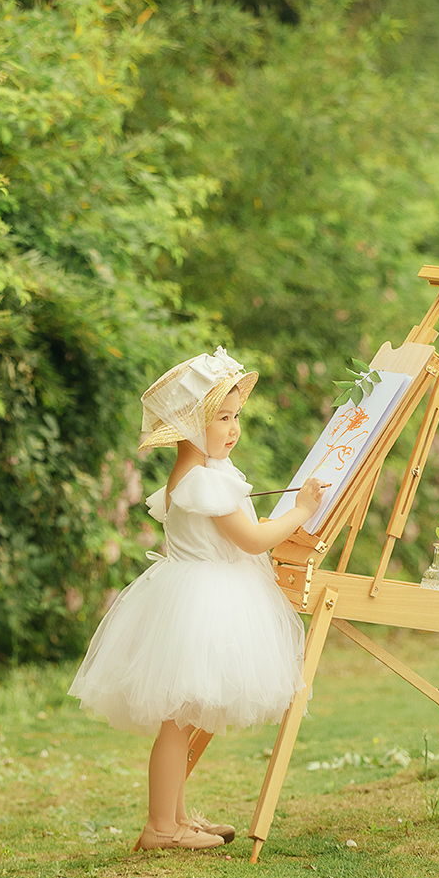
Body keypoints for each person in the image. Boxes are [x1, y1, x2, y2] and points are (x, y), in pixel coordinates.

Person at [68, 348, 327, 852]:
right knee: (176, 720)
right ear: (189, 426)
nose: (233, 429)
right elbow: (253, 540)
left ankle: (177, 817)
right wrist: (301, 510)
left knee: (182, 716)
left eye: (236, 417)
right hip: (202, 601)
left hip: (191, 594)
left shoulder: (197, 475)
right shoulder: (204, 482)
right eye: (221, 419)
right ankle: (161, 827)